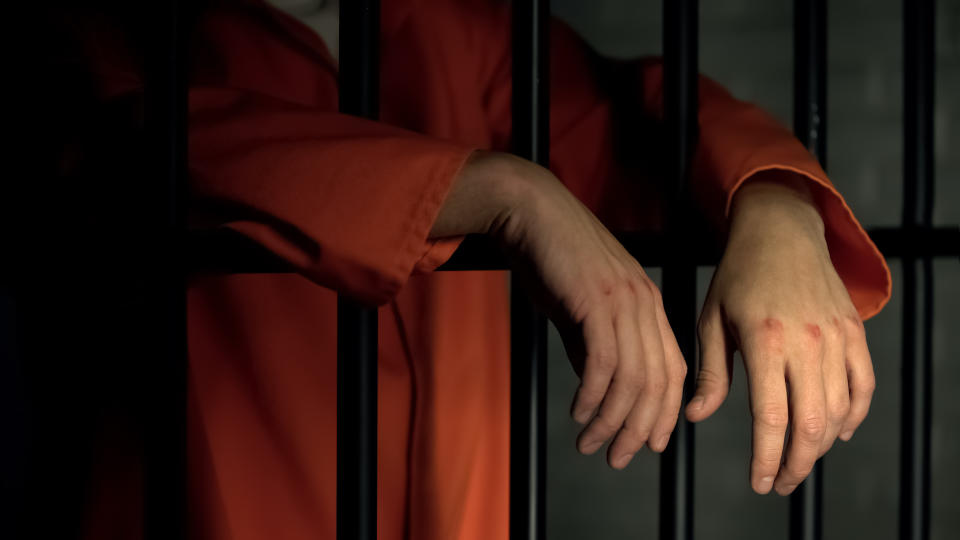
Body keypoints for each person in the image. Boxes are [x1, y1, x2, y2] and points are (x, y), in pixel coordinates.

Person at [46, 0, 891, 538]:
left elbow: (646, 118)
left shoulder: (466, 32)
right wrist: (500, 188)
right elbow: (138, 151)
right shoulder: (119, 31)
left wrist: (778, 206)